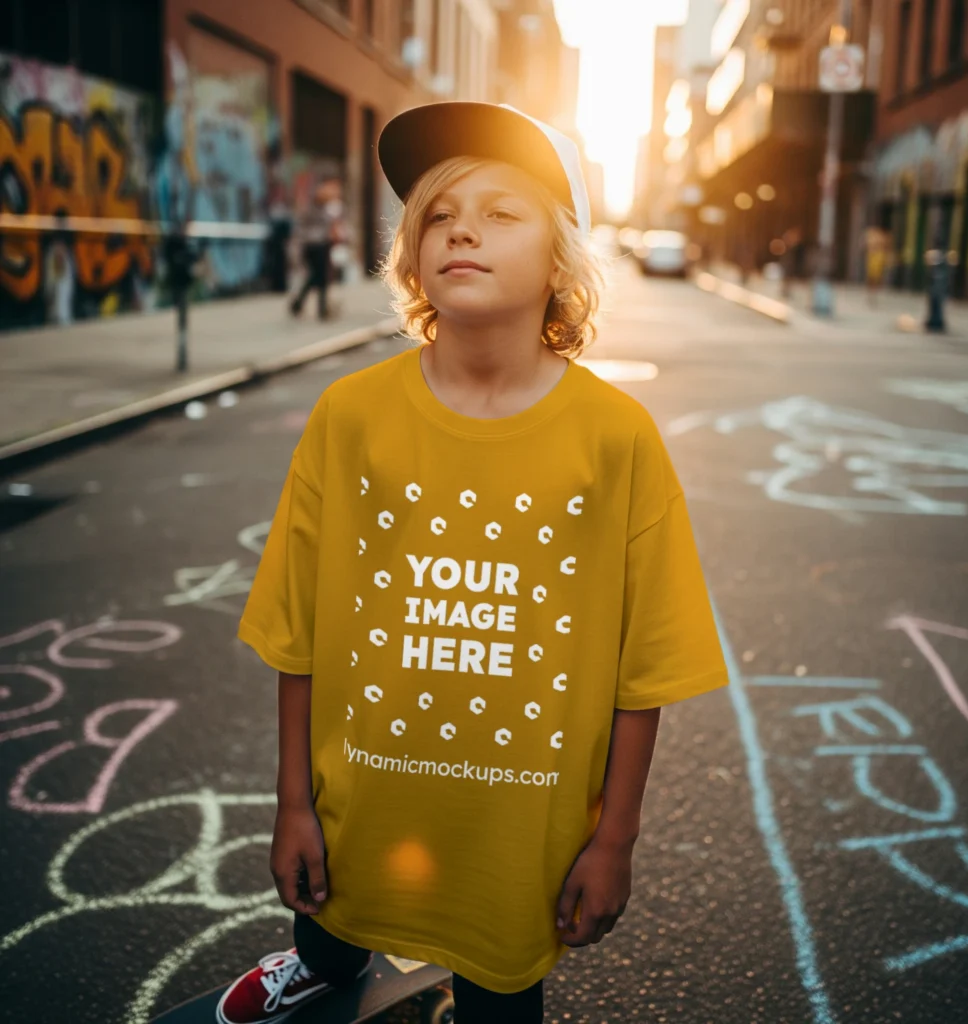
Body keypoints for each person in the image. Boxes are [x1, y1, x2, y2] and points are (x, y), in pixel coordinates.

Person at [219, 101, 729, 1024]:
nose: (462, 230)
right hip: (360, 797)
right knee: (329, 921)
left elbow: (645, 666)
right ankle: (321, 964)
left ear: (561, 260)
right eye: (440, 215)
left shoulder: (616, 439)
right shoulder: (350, 416)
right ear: (413, 255)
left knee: (500, 994)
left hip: (519, 832)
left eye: (501, 213)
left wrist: (614, 839)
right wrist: (294, 802)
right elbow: (298, 632)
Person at [289, 177, 345, 320]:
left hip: (322, 245)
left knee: (319, 277)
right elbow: (301, 229)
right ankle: (316, 308)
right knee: (318, 277)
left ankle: (309, 306)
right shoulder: (310, 209)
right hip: (314, 246)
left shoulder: (327, 209)